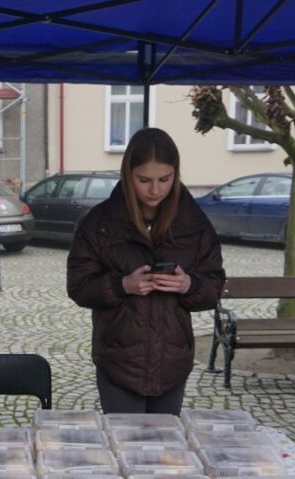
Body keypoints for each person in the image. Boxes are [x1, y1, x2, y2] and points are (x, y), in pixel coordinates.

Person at [67, 128, 225, 414]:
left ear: (176, 174)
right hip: (119, 360)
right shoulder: (99, 223)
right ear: (128, 175)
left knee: (164, 450)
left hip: (172, 361)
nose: (155, 190)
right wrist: (121, 285)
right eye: (144, 180)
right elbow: (78, 286)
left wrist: (188, 284)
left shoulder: (195, 224)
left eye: (165, 179)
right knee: (124, 447)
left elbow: (214, 287)